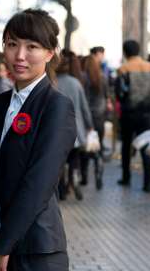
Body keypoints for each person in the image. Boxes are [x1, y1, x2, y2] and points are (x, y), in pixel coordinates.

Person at [0, 9, 76, 271]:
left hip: (37, 251)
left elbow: (38, 184)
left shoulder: (56, 106)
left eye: (32, 47)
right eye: (12, 44)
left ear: (50, 53)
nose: (19, 56)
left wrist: (2, 246)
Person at [115, 39, 150, 191]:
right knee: (146, 146)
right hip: (147, 114)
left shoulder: (123, 69)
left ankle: (126, 177)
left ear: (125, 52)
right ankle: (148, 182)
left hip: (128, 113)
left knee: (126, 146)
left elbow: (119, 93)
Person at [56, 49, 94, 200]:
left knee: (59, 161)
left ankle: (62, 187)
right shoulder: (76, 83)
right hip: (76, 129)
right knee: (74, 158)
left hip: (57, 129)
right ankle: (74, 179)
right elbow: (84, 107)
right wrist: (90, 125)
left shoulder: (51, 82)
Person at [81, 53, 111, 189]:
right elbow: (106, 96)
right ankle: (99, 170)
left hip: (86, 117)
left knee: (85, 148)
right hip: (100, 116)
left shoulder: (83, 78)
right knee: (97, 146)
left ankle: (85, 177)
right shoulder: (103, 77)